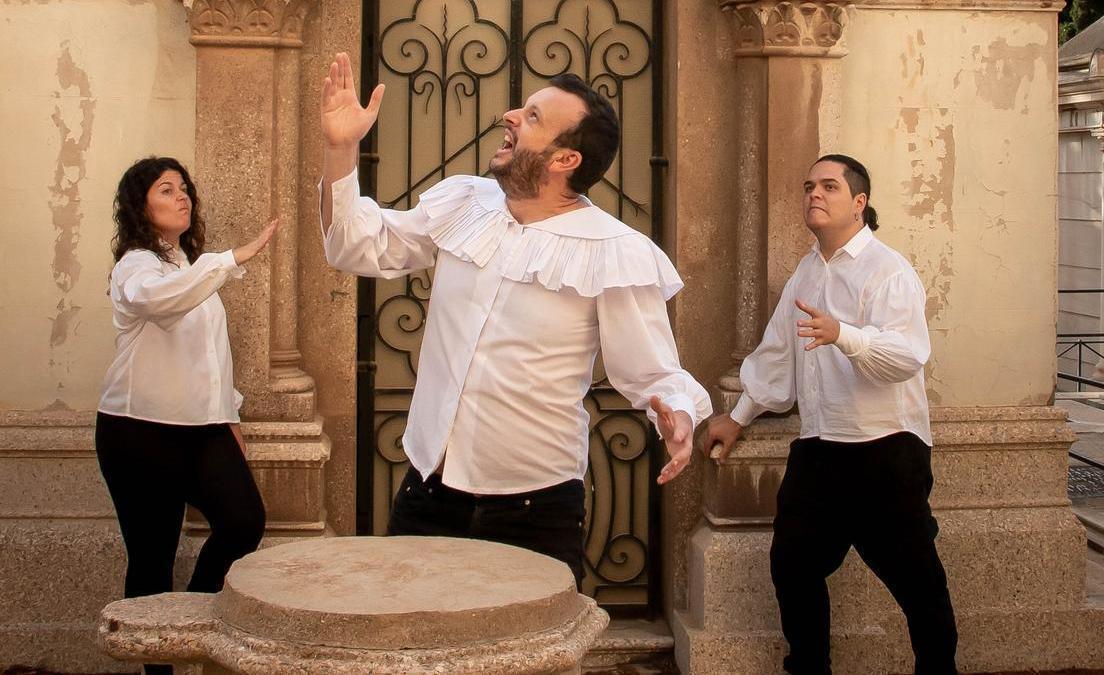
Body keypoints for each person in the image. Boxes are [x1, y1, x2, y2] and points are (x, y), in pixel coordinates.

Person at [318, 53, 711, 584]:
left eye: (531, 117)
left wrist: (680, 414)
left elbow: (654, 374)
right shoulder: (464, 202)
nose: (509, 115)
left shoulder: (615, 251)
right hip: (427, 493)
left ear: (564, 159)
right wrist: (341, 148)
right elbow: (356, 248)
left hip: (537, 511)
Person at [704, 155, 959, 674]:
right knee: (792, 566)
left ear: (860, 203)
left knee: (917, 582)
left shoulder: (889, 270)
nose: (813, 194)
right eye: (808, 187)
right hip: (819, 450)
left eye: (829, 186)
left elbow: (907, 357)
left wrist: (843, 334)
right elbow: (778, 350)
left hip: (886, 449)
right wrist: (739, 415)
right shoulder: (806, 270)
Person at [95, 157, 277, 675]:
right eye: (166, 190)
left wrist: (231, 421)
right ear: (140, 207)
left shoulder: (187, 269)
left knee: (244, 522)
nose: (182, 197)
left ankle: (187, 628)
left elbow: (213, 356)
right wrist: (229, 258)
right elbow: (159, 303)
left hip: (203, 430)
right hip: (137, 432)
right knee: (151, 559)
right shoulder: (136, 267)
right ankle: (161, 662)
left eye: (184, 189)